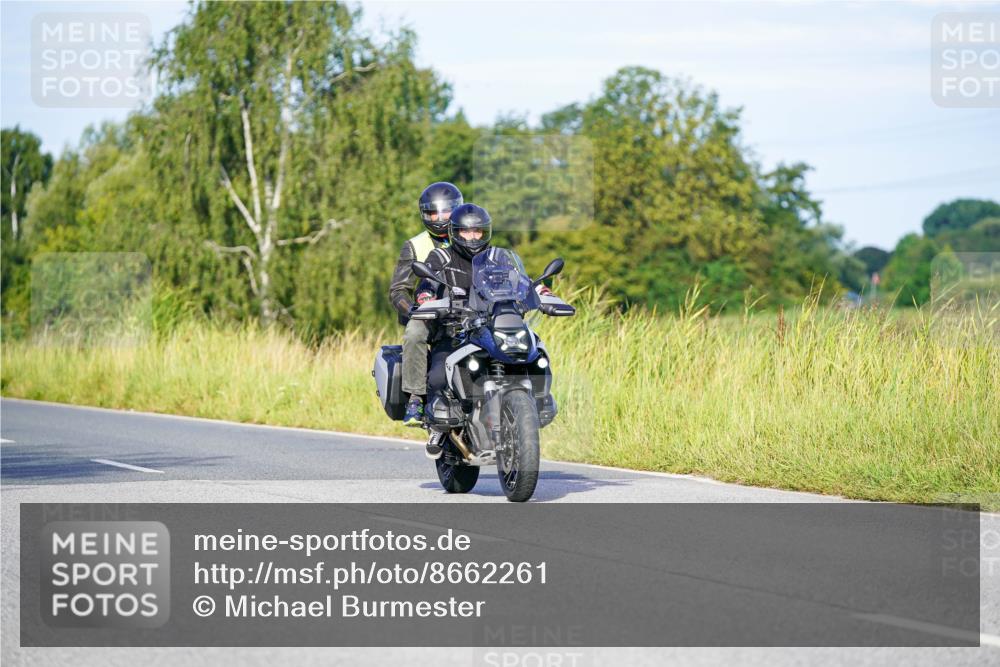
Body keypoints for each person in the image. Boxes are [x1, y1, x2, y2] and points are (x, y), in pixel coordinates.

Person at [388, 182, 463, 426]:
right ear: (424, 215)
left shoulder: (469, 234)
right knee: (413, 332)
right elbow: (398, 289)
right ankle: (416, 398)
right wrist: (413, 311)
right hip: (431, 313)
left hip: (467, 309)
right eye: (434, 212)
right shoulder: (415, 245)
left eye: (446, 211)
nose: (440, 218)